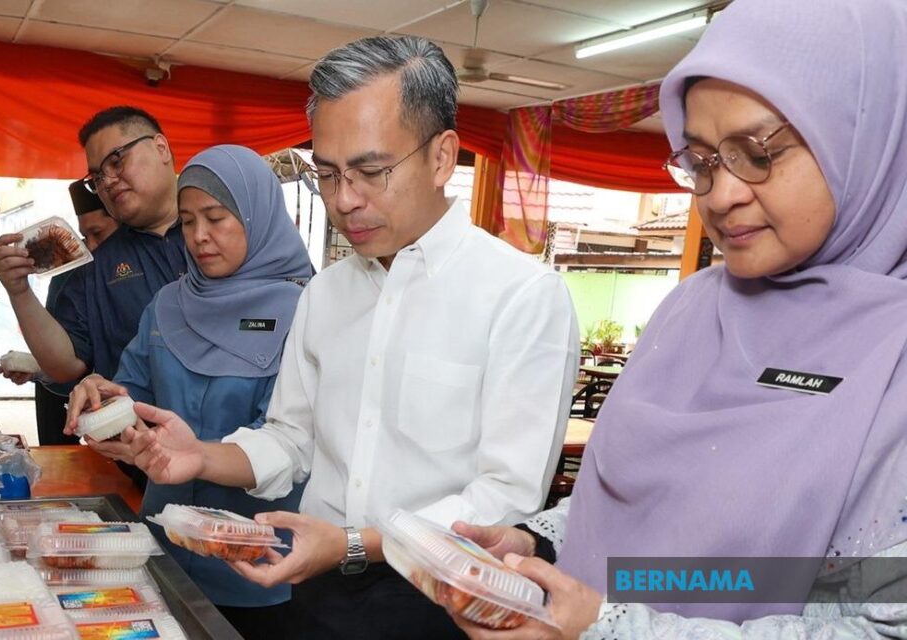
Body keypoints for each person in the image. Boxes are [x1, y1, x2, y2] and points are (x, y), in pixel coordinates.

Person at [446, 0, 907, 637]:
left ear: (866, 137)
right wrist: (540, 540)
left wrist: (604, 628)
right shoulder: (691, 308)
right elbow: (636, 506)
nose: (721, 195)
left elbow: (878, 624)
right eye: (701, 161)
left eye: (756, 152)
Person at [124, 35, 579, 640]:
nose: (344, 199)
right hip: (317, 588)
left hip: (442, 601)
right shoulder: (326, 293)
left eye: (370, 171)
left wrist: (356, 543)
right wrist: (202, 456)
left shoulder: (521, 295)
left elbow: (506, 494)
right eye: (328, 173)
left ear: (442, 157)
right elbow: (292, 441)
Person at [65, 145, 312, 639]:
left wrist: (197, 455)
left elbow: (289, 443)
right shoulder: (167, 305)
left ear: (257, 215)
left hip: (260, 562)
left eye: (216, 218)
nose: (199, 236)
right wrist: (102, 400)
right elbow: (132, 396)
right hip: (166, 546)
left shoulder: (304, 312)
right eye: (188, 221)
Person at [0, 106, 186, 484]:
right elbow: (65, 366)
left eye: (117, 160)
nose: (108, 180)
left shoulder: (218, 234)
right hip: (139, 465)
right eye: (97, 176)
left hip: (236, 457)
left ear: (161, 148)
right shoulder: (97, 266)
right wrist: (19, 291)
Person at [35, 179, 120, 445]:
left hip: (109, 392)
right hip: (57, 388)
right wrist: (38, 367)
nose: (90, 246)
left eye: (98, 233)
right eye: (85, 236)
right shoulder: (71, 270)